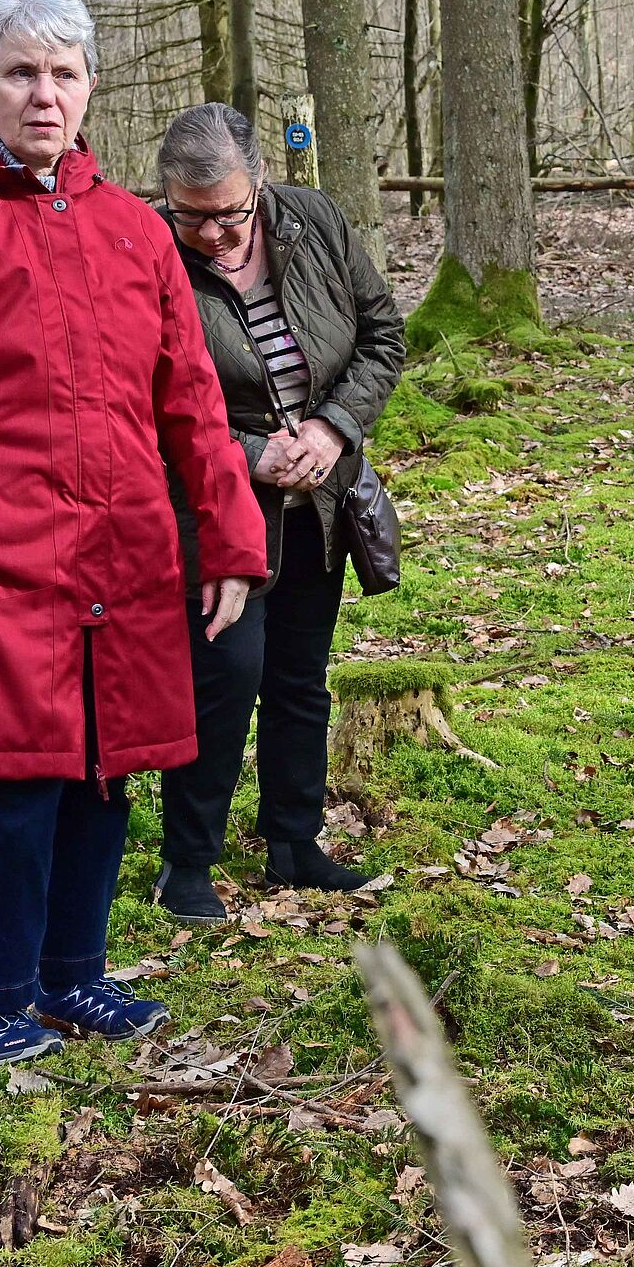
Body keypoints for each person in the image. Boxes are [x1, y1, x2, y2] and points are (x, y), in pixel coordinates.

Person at [0, 0, 264, 1067]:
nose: (44, 95)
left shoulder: (134, 232)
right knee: (9, 778)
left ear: (91, 85)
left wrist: (230, 535)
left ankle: (69, 978)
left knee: (105, 767)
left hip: (123, 547)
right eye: (20, 73)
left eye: (63, 73)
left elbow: (190, 394)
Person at [152, 104, 405, 922]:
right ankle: (188, 860)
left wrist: (335, 428)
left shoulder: (315, 220)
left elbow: (381, 335)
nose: (214, 234)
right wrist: (244, 452)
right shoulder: (147, 249)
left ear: (259, 180)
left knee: (300, 677)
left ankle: (295, 845)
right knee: (226, 675)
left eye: (228, 213)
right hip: (214, 508)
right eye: (192, 217)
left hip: (318, 497)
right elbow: (138, 402)